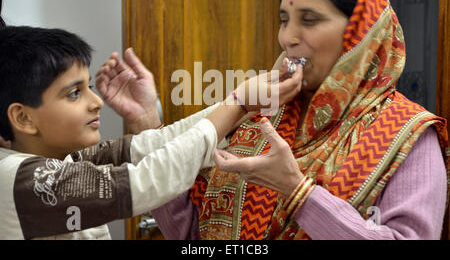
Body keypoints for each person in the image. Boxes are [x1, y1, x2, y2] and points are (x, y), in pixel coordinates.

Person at [143, 0, 449, 240]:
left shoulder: (408, 136)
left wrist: (299, 192)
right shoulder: (260, 116)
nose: (287, 38)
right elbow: (193, 233)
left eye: (309, 19)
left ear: (363, 31)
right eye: (284, 19)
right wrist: (146, 124)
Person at [0, 25, 302, 239]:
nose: (96, 102)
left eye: (89, 87)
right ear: (23, 118)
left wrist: (245, 103)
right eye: (74, 93)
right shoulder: (18, 179)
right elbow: (146, 180)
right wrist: (237, 103)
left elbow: (156, 144)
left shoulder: (65, 158)